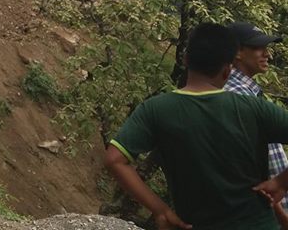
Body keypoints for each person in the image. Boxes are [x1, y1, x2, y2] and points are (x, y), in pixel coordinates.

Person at [105, 22, 288, 230]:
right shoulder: (253, 107)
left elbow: (114, 160)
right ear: (228, 69)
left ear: (185, 60)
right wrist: (281, 182)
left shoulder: (155, 109)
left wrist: (161, 210)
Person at [225, 21, 288, 224]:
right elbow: (246, 167)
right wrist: (281, 215)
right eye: (258, 48)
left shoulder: (247, 92)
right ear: (237, 52)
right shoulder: (237, 96)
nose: (267, 55)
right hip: (266, 210)